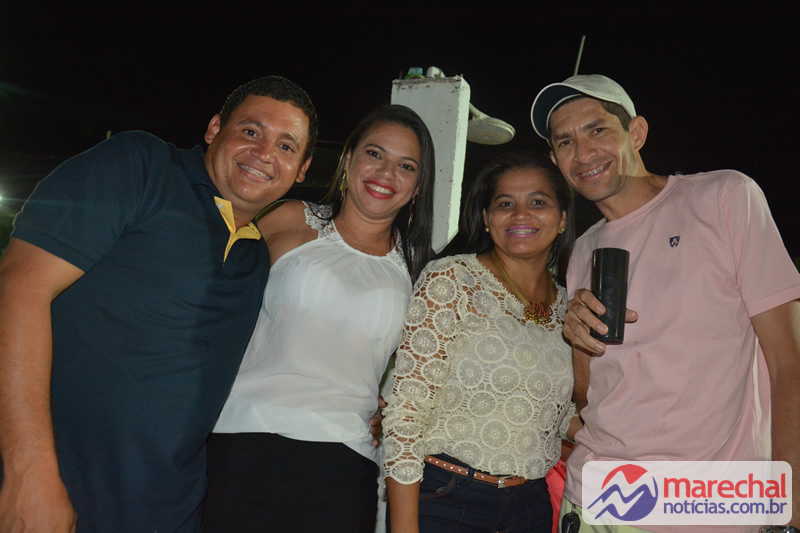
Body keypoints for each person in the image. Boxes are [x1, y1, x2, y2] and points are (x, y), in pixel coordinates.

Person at [0, 75, 317, 532]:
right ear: (214, 128)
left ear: (302, 169)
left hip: (170, 510)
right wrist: (28, 470)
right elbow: (18, 287)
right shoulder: (141, 165)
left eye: (286, 146)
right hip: (56, 495)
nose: (265, 153)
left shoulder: (258, 257)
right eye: (251, 131)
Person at [530, 74, 800, 532]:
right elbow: (592, 396)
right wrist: (577, 339)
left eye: (597, 130)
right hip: (596, 501)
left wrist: (789, 512)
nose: (583, 153)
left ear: (636, 132)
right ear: (556, 161)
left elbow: (789, 363)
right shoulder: (583, 250)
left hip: (704, 509)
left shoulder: (724, 197)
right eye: (565, 142)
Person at [203, 104, 436, 532]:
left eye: (406, 166)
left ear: (419, 186)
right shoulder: (289, 219)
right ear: (348, 161)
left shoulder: (422, 272)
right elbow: (210, 303)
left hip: (344, 463)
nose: (386, 173)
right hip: (240, 441)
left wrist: (391, 409)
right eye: (374, 154)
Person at [383, 151, 578, 532]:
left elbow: (551, 412)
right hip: (445, 499)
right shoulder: (453, 280)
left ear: (562, 219)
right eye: (505, 204)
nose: (520, 215)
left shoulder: (568, 306)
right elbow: (406, 414)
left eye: (538, 202)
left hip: (530, 508)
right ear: (487, 219)